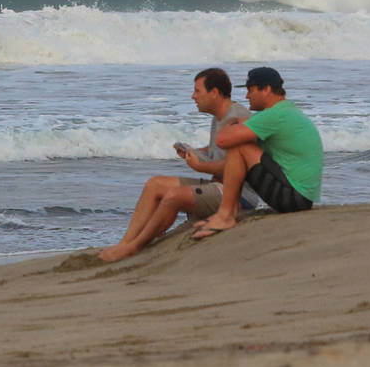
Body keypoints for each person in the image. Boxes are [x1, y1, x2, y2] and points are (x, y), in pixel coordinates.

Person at [98, 68, 260, 262]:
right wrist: (196, 151)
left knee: (173, 196)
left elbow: (235, 166)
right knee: (155, 184)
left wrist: (199, 166)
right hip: (217, 186)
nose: (193, 96)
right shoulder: (220, 116)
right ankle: (125, 242)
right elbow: (216, 149)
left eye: (197, 91)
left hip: (238, 196)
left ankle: (135, 246)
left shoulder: (236, 117)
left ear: (214, 92)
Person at [191, 67, 322, 239]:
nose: (246, 97)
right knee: (241, 142)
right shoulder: (284, 111)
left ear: (266, 89)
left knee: (239, 146)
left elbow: (222, 140)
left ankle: (225, 216)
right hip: (301, 196)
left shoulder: (274, 115)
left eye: (250, 90)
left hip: (293, 198)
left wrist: (235, 122)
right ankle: (228, 212)